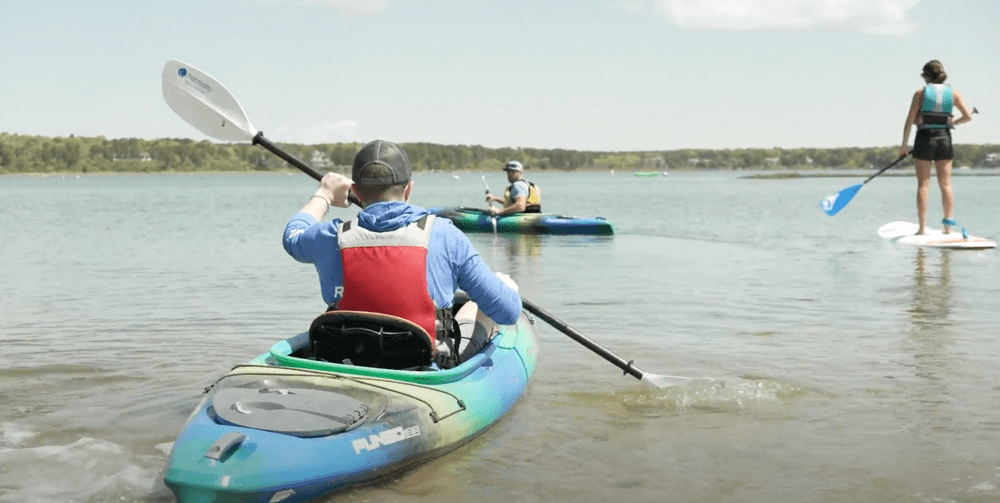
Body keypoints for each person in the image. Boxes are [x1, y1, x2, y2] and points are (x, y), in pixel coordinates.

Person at [283, 139, 522, 365]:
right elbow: (507, 312)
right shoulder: (445, 235)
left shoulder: (330, 236)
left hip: (352, 358)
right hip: (424, 367)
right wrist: (507, 287)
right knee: (476, 303)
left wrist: (324, 194)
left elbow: (292, 236)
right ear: (408, 189)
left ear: (356, 191)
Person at [900, 59, 974, 235]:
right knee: (946, 185)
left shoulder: (920, 93)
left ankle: (922, 228)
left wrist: (904, 145)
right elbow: (968, 116)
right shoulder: (953, 93)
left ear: (926, 76)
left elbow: (910, 120)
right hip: (944, 139)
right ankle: (947, 228)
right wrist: (955, 121)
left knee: (923, 185)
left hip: (924, 139)